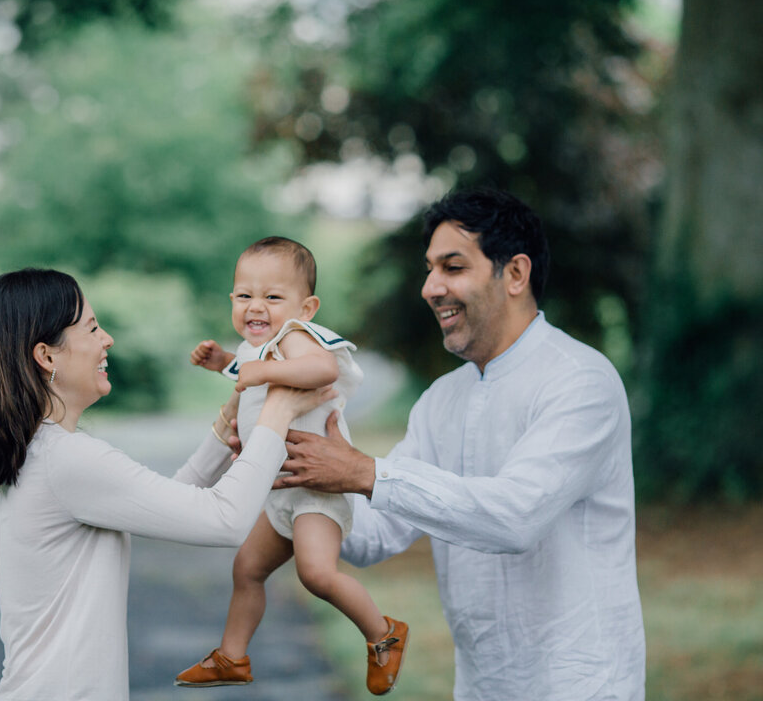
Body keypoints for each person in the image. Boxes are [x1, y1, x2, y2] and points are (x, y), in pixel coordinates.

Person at [275, 189, 646, 700]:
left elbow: (514, 517)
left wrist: (364, 472)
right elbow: (371, 535)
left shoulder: (579, 382)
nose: (430, 288)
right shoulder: (442, 399)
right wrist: (287, 471)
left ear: (515, 274)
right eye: (429, 270)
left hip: (577, 684)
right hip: (479, 687)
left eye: (452, 267)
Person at [0, 268, 334, 701]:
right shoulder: (68, 460)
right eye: (92, 328)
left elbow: (166, 499)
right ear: (46, 355)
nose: (107, 339)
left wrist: (234, 411)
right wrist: (277, 409)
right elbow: (224, 520)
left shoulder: (48, 453)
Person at [174, 237, 408, 695]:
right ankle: (232, 656)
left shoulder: (298, 336)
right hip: (282, 493)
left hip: (318, 490)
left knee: (316, 574)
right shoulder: (251, 348)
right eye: (244, 296)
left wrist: (259, 372)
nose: (255, 306)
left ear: (307, 306)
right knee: (247, 569)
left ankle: (384, 633)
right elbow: (251, 373)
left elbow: (319, 370)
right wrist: (226, 362)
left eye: (272, 297)